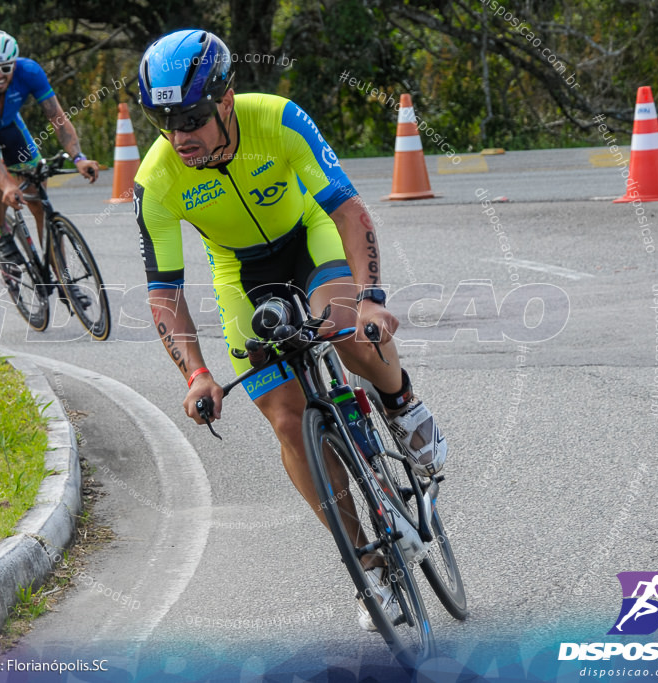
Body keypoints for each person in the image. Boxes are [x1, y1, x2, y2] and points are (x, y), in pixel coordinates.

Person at [133, 29, 447, 631]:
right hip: (241, 273)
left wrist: (373, 300)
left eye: (193, 118)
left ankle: (402, 403)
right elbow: (164, 295)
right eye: (164, 122)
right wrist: (197, 374)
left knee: (349, 331)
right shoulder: (158, 179)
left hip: (310, 237)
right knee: (285, 418)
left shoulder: (278, 118)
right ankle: (366, 557)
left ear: (225, 100)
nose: (181, 137)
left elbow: (349, 211)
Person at [0, 29, 100, 264]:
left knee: (38, 200)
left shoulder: (29, 71)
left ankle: (61, 278)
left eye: (6, 68)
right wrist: (8, 184)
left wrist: (78, 158)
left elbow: (57, 117)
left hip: (10, 128)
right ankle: (0, 232)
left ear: (14, 65)